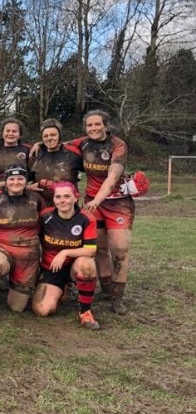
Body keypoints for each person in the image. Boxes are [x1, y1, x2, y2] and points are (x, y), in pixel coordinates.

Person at [67, 110, 134, 314]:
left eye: (97, 124)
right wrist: (38, 145)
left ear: (106, 126)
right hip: (92, 203)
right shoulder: (83, 143)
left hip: (117, 202)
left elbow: (112, 177)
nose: (94, 128)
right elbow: (57, 143)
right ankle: (106, 290)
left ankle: (118, 297)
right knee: (98, 248)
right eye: (90, 125)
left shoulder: (118, 145)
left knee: (120, 248)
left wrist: (97, 199)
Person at [0, 164, 45, 324]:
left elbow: (46, 224)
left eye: (20, 179)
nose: (16, 182)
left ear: (26, 181)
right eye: (11, 179)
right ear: (5, 181)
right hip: (2, 248)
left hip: (28, 255)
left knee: (16, 307)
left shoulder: (36, 199)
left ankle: (16, 283)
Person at [33, 182, 100, 329]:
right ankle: (61, 291)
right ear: (53, 199)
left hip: (74, 266)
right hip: (51, 267)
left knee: (87, 265)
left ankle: (85, 312)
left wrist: (65, 252)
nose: (62, 200)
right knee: (42, 310)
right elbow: (31, 238)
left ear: (76, 198)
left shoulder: (86, 218)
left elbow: (91, 250)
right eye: (58, 197)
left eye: (67, 196)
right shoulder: (45, 216)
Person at [27, 118, 83, 203]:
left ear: (59, 136)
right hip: (42, 202)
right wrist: (27, 187)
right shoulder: (36, 153)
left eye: (53, 135)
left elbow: (91, 173)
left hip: (66, 203)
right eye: (45, 136)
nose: (49, 138)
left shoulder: (73, 153)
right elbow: (25, 177)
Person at [0, 117, 30, 183]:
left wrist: (39, 144)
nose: (10, 134)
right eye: (8, 131)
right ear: (2, 133)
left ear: (20, 134)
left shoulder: (28, 150)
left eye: (14, 131)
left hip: (18, 186)